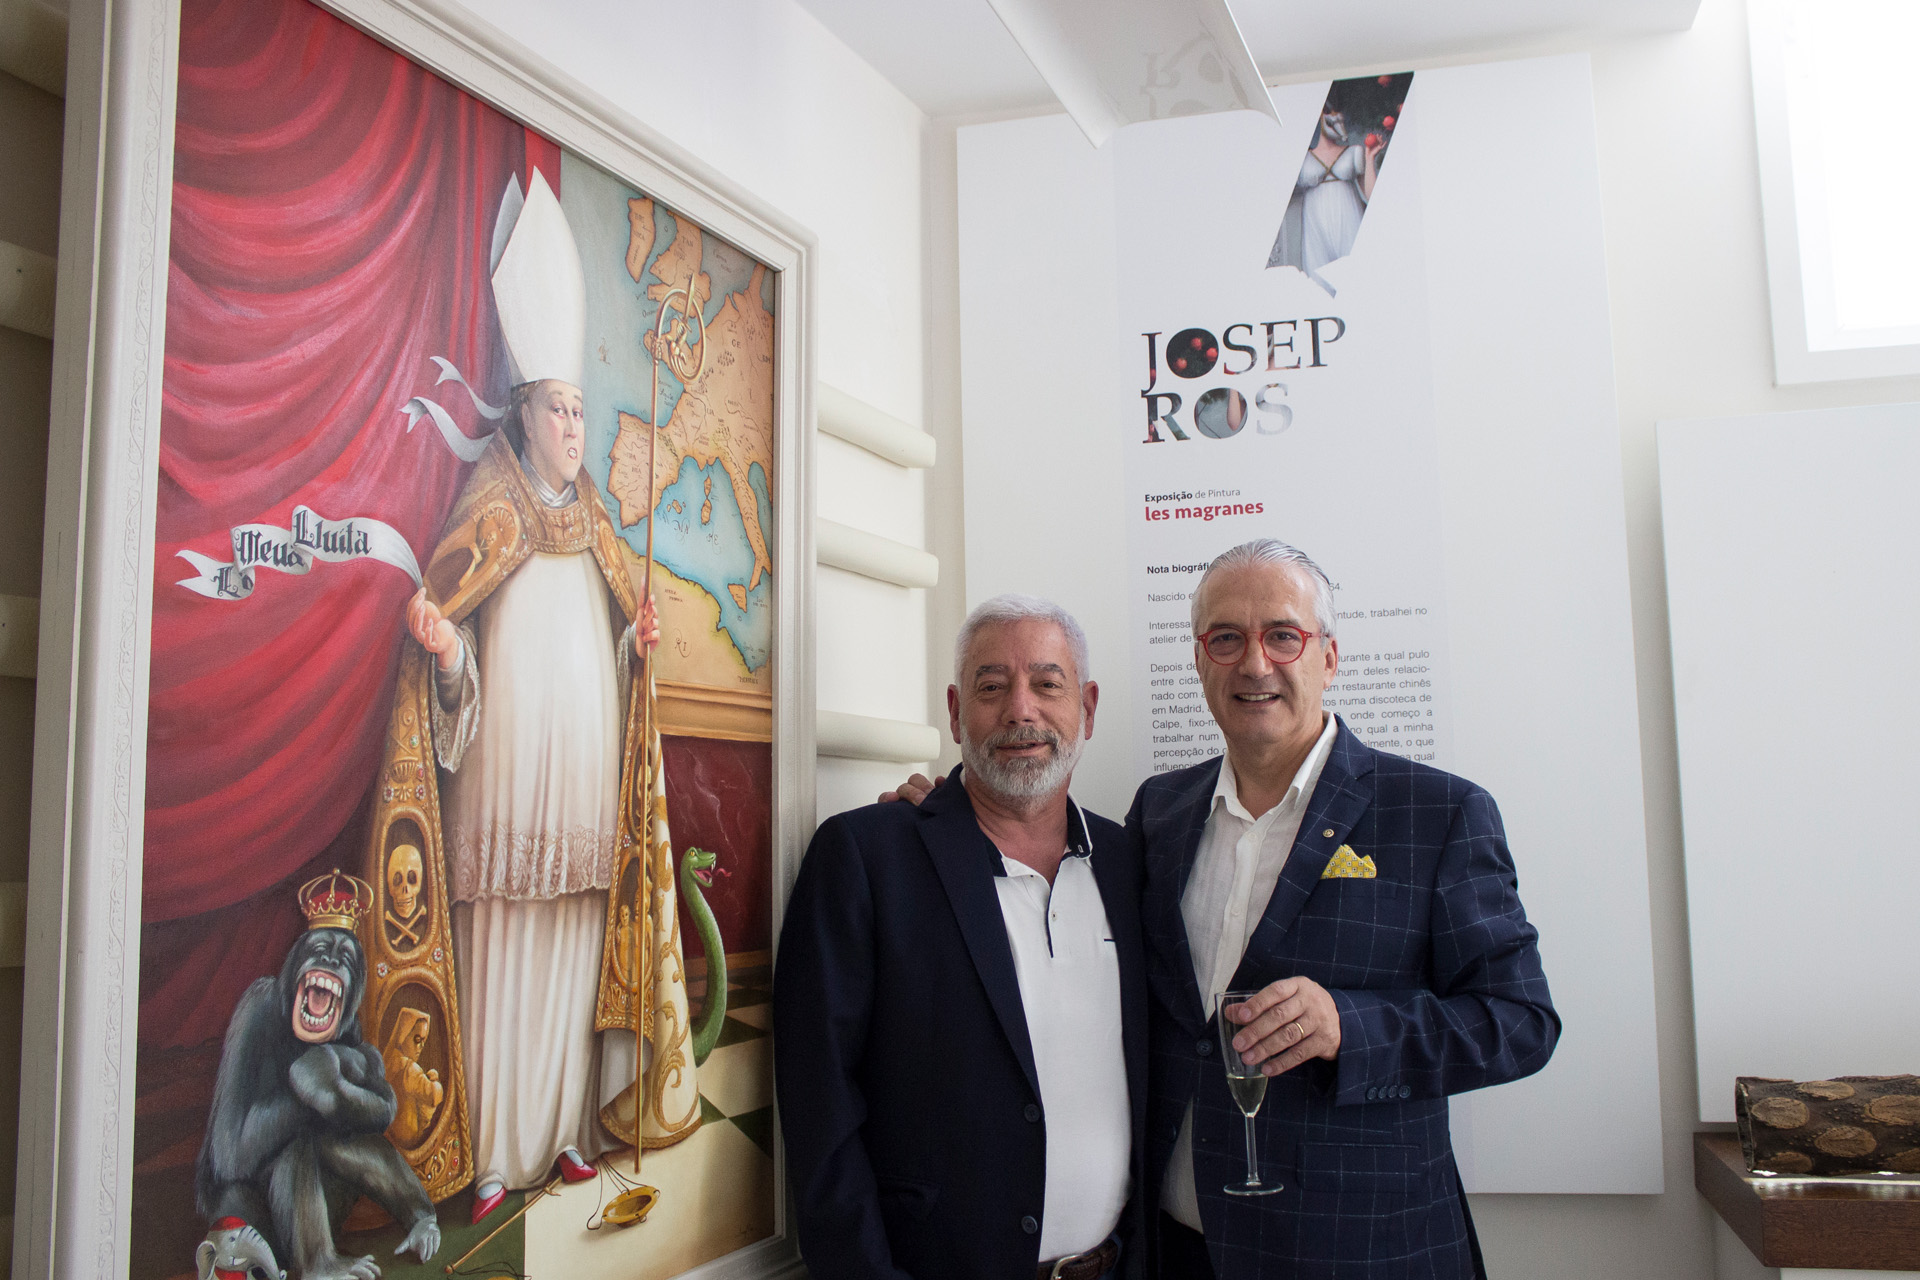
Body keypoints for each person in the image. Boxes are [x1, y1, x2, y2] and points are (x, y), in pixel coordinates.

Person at [889, 540, 1557, 1279]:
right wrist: (951, 821)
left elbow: (1522, 1022)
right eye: (1227, 639)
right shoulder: (1160, 814)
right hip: (1174, 1252)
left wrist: (1349, 1027)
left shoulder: (1438, 813)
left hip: (1361, 1252)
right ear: (1200, 661)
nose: (1255, 664)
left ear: (1329, 657)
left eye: (1283, 636)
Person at [401, 169, 694, 1222]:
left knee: (574, 957)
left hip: (580, 800)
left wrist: (636, 646)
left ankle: (569, 1131)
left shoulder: (605, 531)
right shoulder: (488, 511)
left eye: (579, 409)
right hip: (503, 795)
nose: (575, 426)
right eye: (559, 409)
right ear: (524, 415)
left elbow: (616, 656)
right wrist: (445, 650)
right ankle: (489, 1154)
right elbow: (458, 659)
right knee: (500, 966)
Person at [776, 596, 1148, 1280]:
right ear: (954, 712)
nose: (1020, 710)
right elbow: (818, 1103)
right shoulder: (867, 858)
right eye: (992, 687)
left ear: (1088, 708)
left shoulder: (1130, 863)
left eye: (1047, 684)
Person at [1267, 103, 1386, 288]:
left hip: (1349, 220)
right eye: (1329, 113)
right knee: (1319, 283)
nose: (1337, 119)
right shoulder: (1302, 158)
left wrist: (1370, 158)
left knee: (1355, 278)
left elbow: (1371, 197)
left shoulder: (1354, 152)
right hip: (1314, 226)